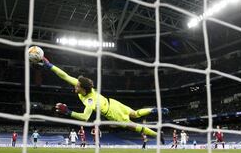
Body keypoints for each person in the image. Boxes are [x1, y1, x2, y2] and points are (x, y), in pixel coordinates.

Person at [32, 47, 168, 142]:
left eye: (77, 86)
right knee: (135, 113)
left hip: (113, 114)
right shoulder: (84, 88)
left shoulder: (90, 101)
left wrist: (68, 112)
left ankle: (157, 134)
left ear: (82, 88)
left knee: (134, 126)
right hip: (114, 103)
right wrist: (49, 65)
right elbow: (64, 75)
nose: (75, 86)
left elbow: (85, 118)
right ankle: (155, 110)